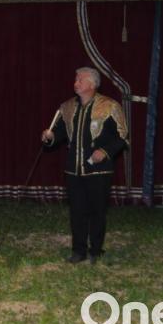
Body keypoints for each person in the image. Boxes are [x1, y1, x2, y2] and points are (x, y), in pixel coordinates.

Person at [41, 67, 128, 264]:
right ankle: (78, 251)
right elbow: (59, 134)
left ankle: (95, 250)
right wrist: (50, 137)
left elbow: (122, 136)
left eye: (80, 79)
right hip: (73, 169)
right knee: (77, 211)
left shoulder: (110, 106)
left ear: (91, 84)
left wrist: (104, 152)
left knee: (97, 211)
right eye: (76, 79)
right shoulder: (67, 107)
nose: (75, 82)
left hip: (99, 170)